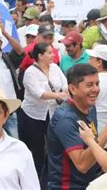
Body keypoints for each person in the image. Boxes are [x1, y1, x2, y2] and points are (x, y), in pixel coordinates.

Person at [46, 64, 107, 190]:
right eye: (89, 85)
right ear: (73, 89)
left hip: (90, 183)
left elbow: (92, 146)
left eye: (97, 84)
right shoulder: (65, 119)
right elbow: (82, 165)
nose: (96, 89)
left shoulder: (91, 108)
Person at [18, 42, 68, 177]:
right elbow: (38, 93)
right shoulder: (30, 72)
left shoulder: (55, 68)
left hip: (52, 113)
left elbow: (64, 84)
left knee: (53, 145)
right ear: (40, 56)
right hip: (32, 115)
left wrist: (65, 92)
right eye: (50, 53)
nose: (53, 55)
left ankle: (50, 175)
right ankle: (35, 177)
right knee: (36, 148)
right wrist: (58, 95)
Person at [86, 44, 107, 132]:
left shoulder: (96, 81)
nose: (88, 61)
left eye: (91, 58)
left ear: (99, 62)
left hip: (97, 122)